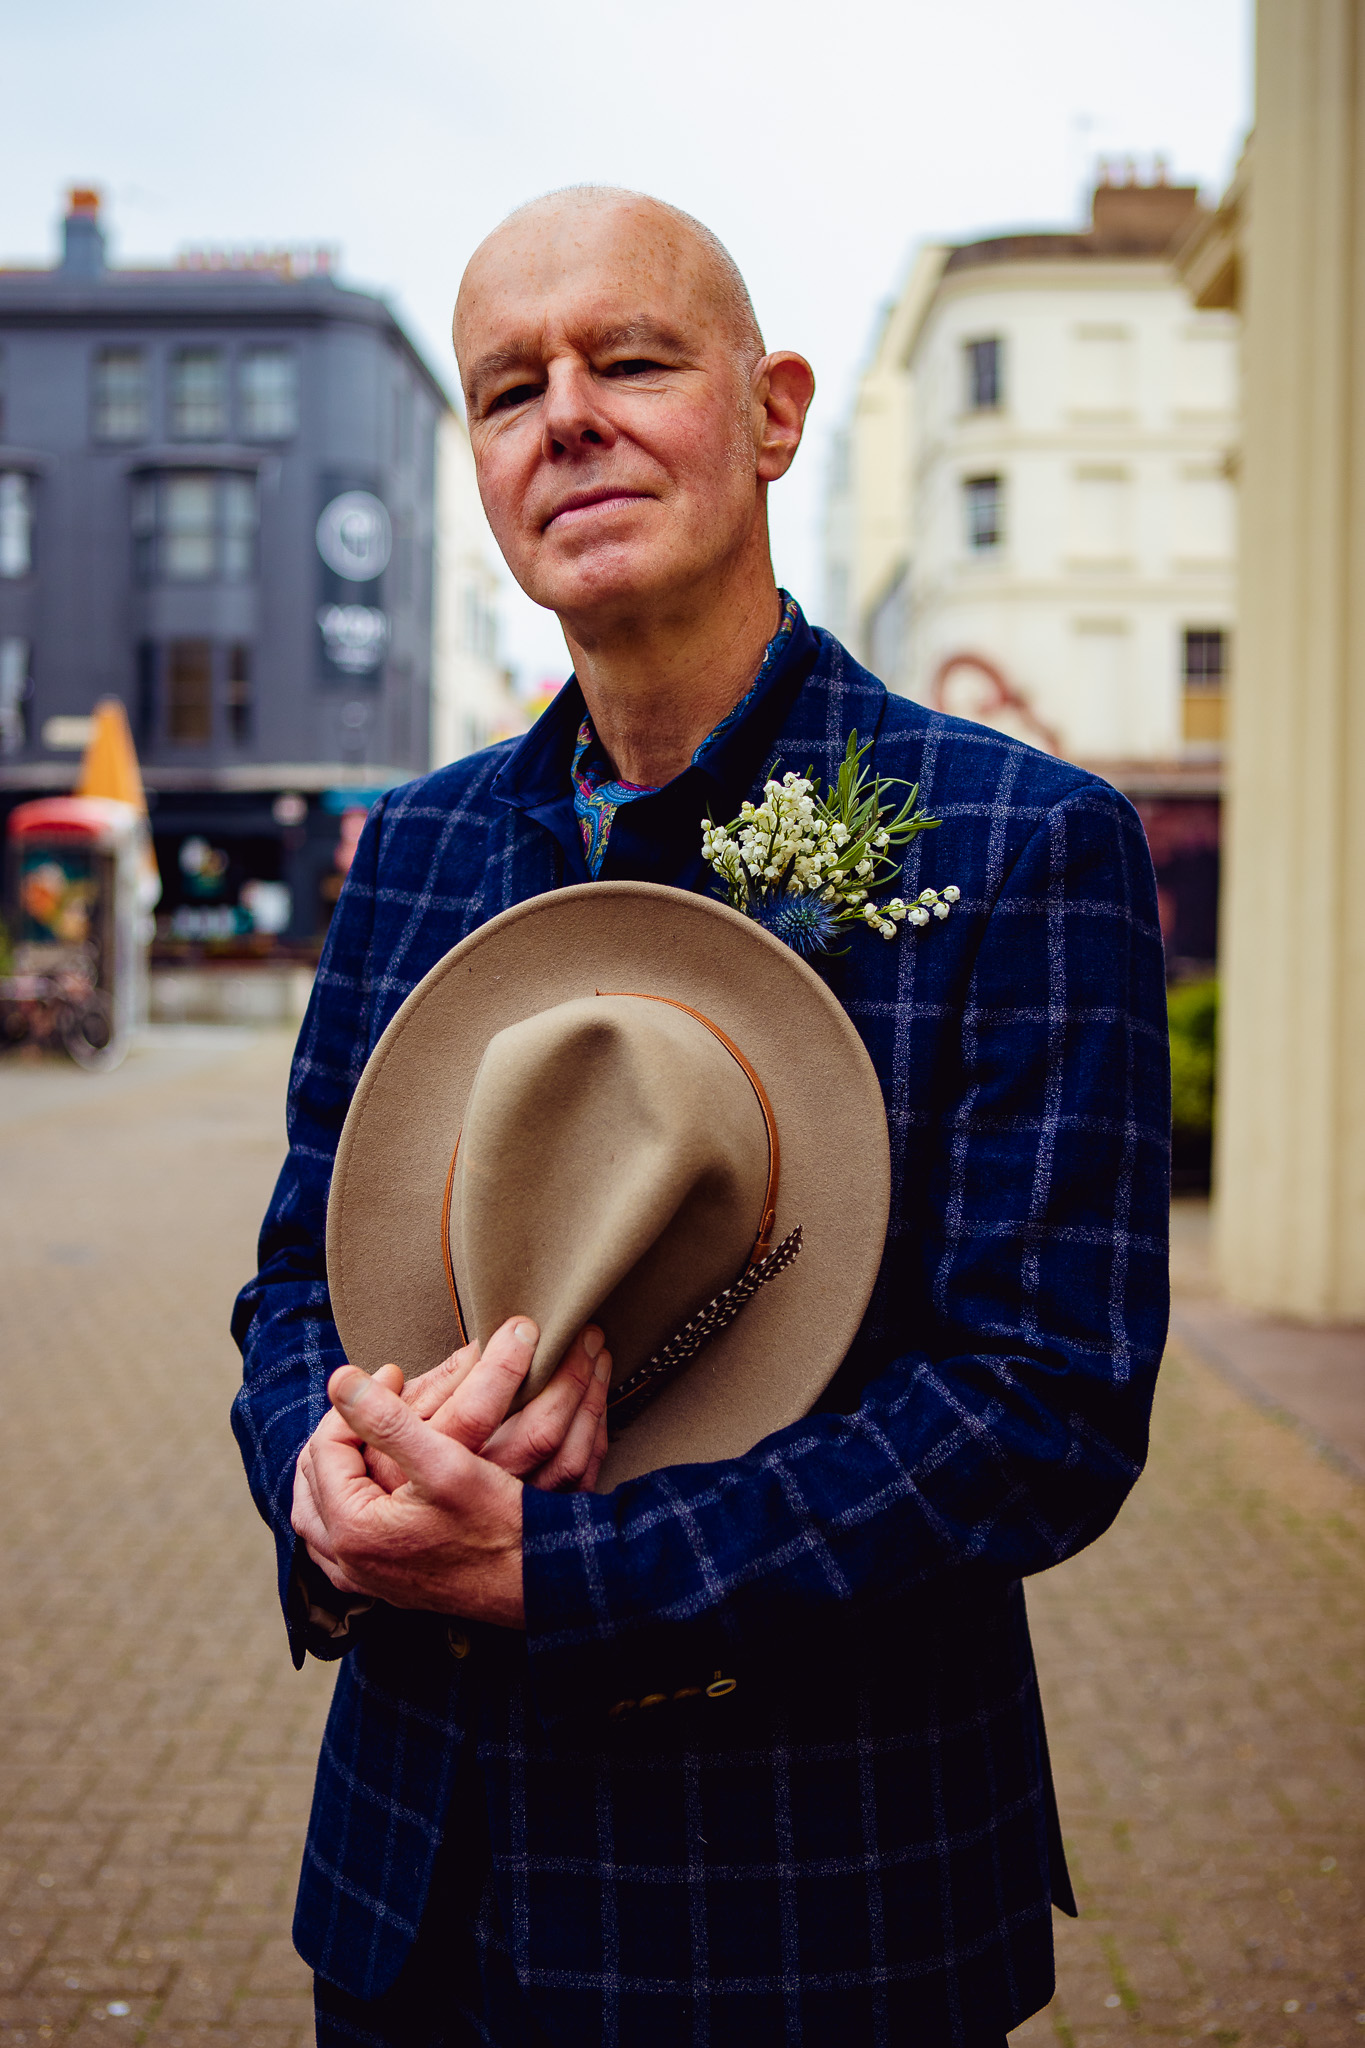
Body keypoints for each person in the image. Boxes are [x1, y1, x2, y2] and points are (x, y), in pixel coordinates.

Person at [232, 186, 1170, 2047]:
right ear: (486, 471)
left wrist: (567, 1574)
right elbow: (290, 1288)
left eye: (629, 360)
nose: (564, 414)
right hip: (413, 1888)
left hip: (812, 1909)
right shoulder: (412, 847)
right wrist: (316, 1488)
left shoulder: (1021, 842)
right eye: (510, 390)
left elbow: (1040, 1407)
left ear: (772, 412)